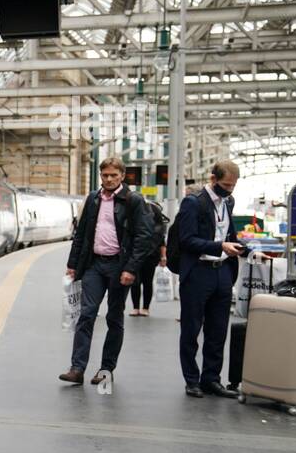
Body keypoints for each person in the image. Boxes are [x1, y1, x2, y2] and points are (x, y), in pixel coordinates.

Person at [59, 157, 153, 385]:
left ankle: (106, 369)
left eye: (113, 175)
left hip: (119, 267)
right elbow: (81, 234)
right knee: (86, 314)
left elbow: (144, 237)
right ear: (100, 176)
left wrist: (131, 268)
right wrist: (73, 264)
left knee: (114, 318)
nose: (109, 179)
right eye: (105, 175)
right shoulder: (93, 199)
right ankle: (77, 368)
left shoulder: (134, 200)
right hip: (93, 265)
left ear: (122, 176)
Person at [175, 160, 244, 398]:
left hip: (223, 272)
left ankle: (211, 379)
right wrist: (219, 245)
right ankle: (192, 380)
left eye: (233, 186)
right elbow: (186, 240)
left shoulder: (229, 202)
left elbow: (230, 234)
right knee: (191, 329)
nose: (230, 190)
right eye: (226, 185)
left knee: (218, 331)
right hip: (198, 273)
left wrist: (249, 250)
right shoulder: (193, 203)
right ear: (213, 179)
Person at [129, 200, 169, 316]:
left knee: (147, 282)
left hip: (150, 257)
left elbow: (162, 243)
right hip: (137, 256)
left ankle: (145, 307)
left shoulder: (158, 228)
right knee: (135, 282)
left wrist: (163, 257)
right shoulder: (136, 224)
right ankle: (136, 307)